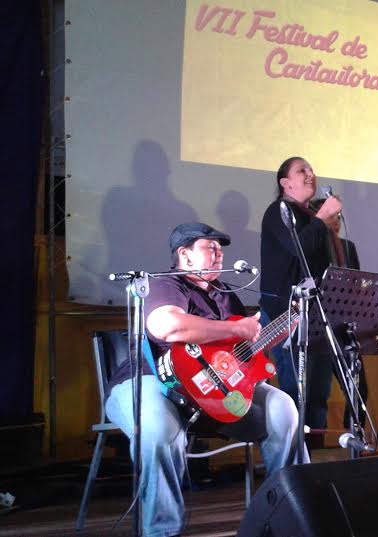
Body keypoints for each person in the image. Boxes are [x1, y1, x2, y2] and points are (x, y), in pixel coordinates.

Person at [104, 222, 299, 537]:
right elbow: (166, 325)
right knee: (158, 428)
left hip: (211, 393)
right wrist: (236, 328)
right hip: (152, 379)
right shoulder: (167, 284)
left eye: (221, 249)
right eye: (210, 248)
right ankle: (162, 532)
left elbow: (240, 354)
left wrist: (277, 331)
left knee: (282, 409)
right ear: (185, 255)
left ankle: (290, 515)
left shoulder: (225, 296)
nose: (219, 254)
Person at [260, 157, 343, 433]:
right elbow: (298, 247)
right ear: (286, 183)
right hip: (286, 316)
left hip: (316, 316)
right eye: (301, 170)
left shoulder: (310, 217)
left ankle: (313, 455)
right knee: (296, 392)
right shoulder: (279, 210)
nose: (310, 174)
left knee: (318, 393)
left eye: (311, 169)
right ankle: (293, 455)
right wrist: (321, 219)